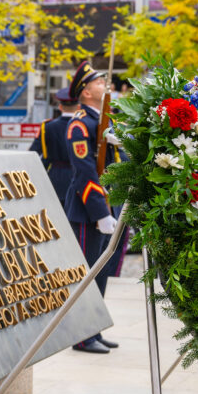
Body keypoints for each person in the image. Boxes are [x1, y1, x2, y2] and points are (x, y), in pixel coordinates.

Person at [65, 61, 121, 354]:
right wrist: (100, 212)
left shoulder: (104, 122)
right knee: (87, 275)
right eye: (99, 82)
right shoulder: (79, 124)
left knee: (100, 273)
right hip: (89, 211)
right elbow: (85, 171)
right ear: (86, 92)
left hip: (106, 207)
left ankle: (93, 329)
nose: (105, 84)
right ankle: (82, 336)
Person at [28, 89, 77, 207]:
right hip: (78, 175)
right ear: (79, 107)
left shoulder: (47, 127)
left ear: (60, 107)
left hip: (55, 177)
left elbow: (33, 153)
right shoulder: (84, 126)